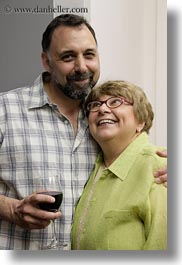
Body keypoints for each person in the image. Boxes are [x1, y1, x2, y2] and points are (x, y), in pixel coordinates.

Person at [0, 14, 167, 250]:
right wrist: (11, 209)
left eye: (89, 55)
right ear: (47, 62)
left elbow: (140, 157)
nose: (81, 67)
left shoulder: (102, 119)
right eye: (68, 56)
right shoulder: (5, 110)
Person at [71, 80, 167, 250]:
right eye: (95, 105)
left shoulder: (159, 166)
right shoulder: (94, 169)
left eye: (116, 102)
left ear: (141, 121)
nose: (102, 109)